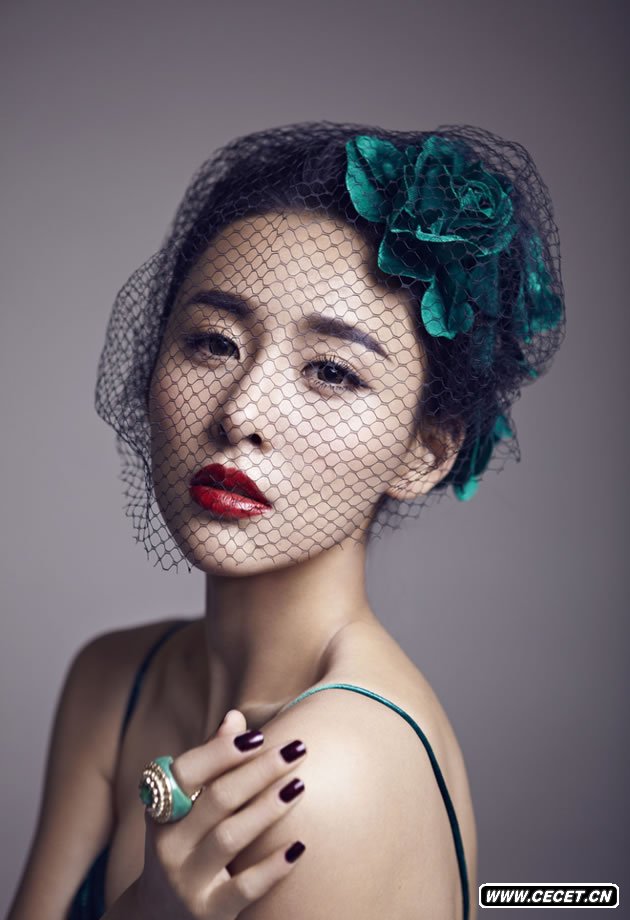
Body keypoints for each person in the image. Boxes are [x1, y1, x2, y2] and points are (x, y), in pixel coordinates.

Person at [7, 120, 565, 920]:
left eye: (331, 371)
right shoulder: (113, 680)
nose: (242, 412)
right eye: (214, 343)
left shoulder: (331, 773)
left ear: (426, 452)